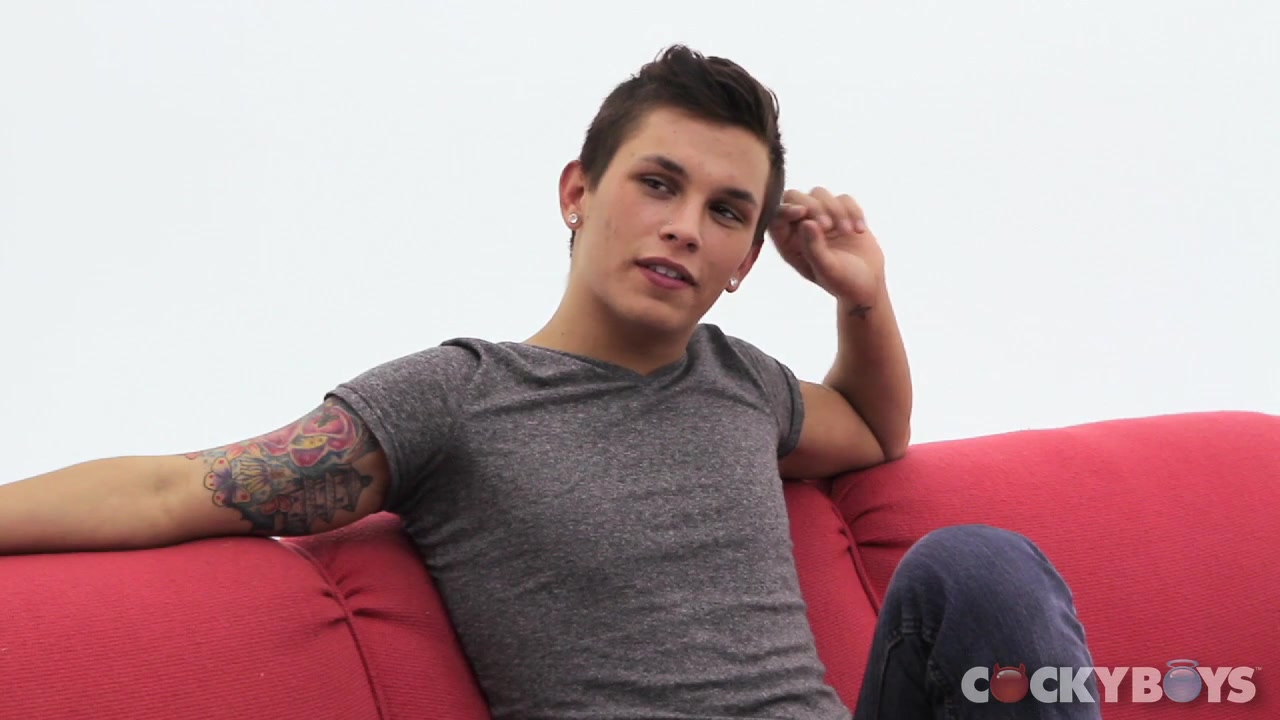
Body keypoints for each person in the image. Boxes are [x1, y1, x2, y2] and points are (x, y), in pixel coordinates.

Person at [0, 46, 1099, 719]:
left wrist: (862, 296)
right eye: (658, 184)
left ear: (742, 262)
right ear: (578, 191)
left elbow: (868, 425)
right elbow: (178, 488)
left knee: (976, 566)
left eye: (725, 211)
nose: (684, 226)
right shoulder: (458, 397)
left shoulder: (740, 382)